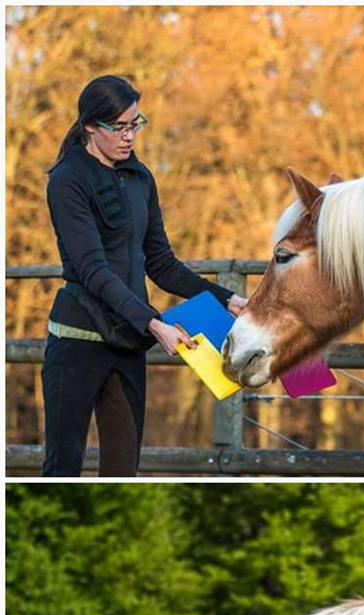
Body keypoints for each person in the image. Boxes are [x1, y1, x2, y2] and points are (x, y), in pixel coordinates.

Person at [43, 75, 248, 476]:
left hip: (128, 344)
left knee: (123, 470)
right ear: (89, 125)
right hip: (77, 343)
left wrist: (227, 299)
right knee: (62, 468)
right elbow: (93, 271)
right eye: (118, 127)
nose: (129, 136)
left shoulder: (141, 178)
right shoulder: (68, 180)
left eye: (135, 123)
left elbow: (162, 264)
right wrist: (154, 323)